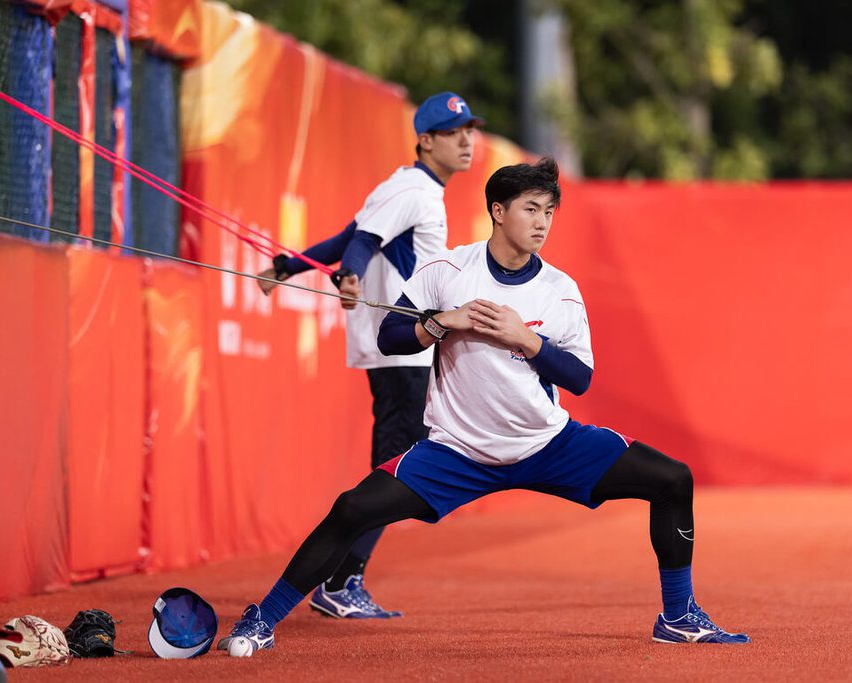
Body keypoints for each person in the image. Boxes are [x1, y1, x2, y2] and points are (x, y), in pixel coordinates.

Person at [222, 157, 749, 652]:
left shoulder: (560, 290)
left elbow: (582, 379)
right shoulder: (446, 271)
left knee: (673, 479)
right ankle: (262, 619)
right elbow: (389, 336)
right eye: (530, 209)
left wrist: (529, 340)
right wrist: (437, 323)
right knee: (352, 509)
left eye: (549, 211)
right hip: (456, 453)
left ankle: (678, 617)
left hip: (547, 445)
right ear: (498, 211)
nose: (542, 223)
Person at [255, 91, 483, 619]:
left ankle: (341, 576)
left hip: (403, 349)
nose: (468, 140)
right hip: (402, 347)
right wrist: (350, 277)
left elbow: (349, 237)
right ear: (426, 141)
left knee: (401, 465)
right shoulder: (415, 190)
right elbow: (361, 245)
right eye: (455, 133)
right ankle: (339, 579)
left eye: (470, 130)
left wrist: (286, 267)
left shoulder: (408, 187)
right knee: (396, 470)